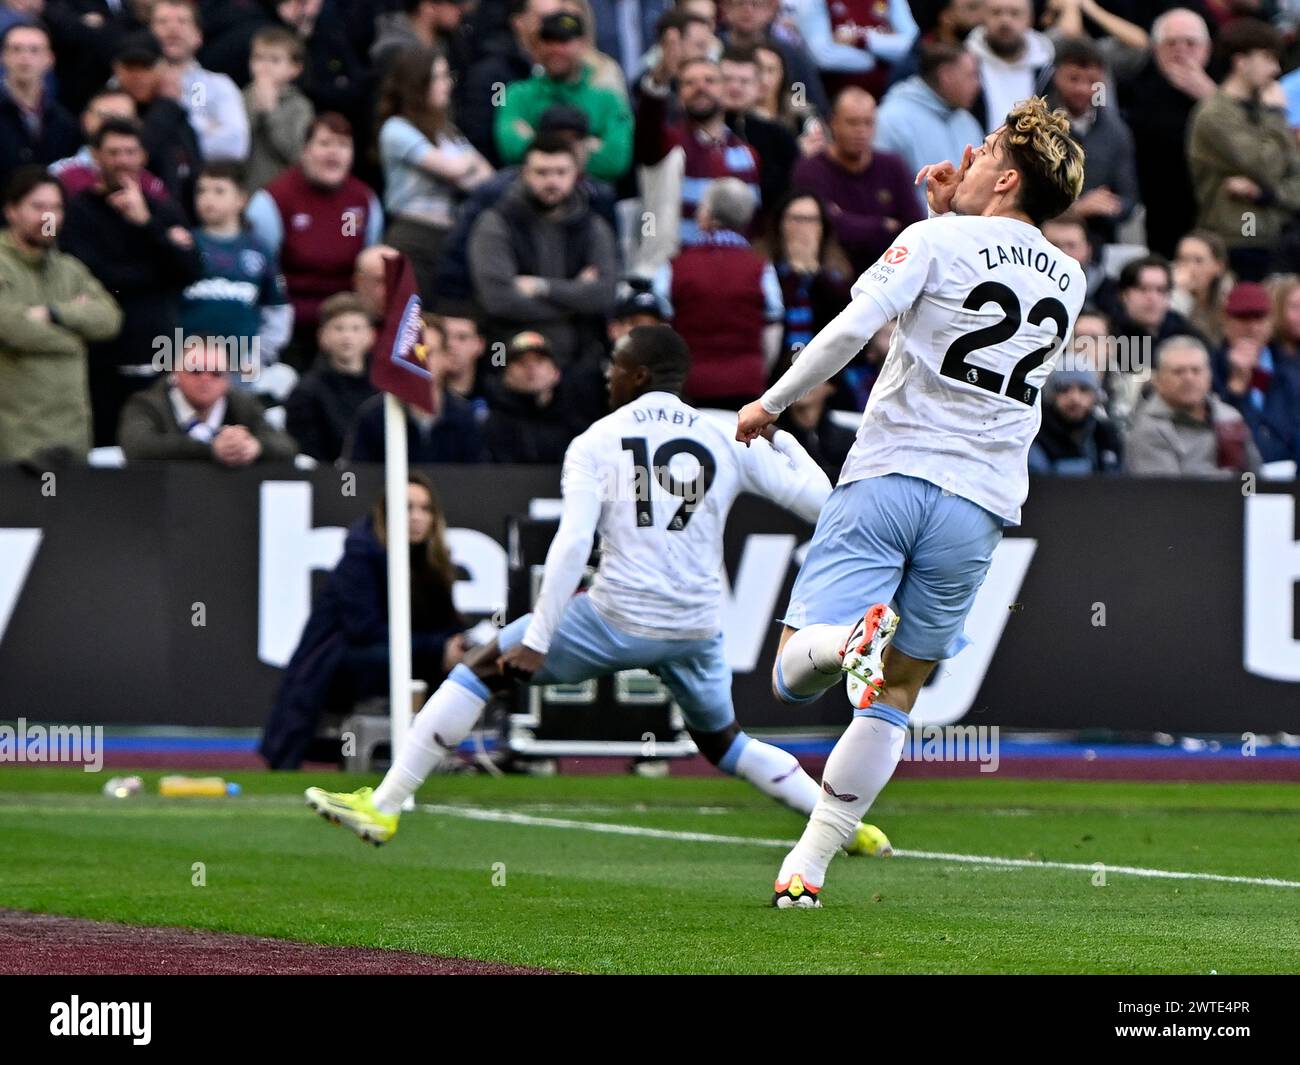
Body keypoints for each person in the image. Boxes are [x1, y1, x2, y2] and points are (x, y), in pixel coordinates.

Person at [305, 323, 891, 861]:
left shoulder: (596, 440)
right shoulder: (724, 432)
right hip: (696, 627)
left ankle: (384, 807)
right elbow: (825, 510)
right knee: (724, 743)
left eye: (615, 366)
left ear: (637, 375)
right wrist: (791, 449)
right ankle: (846, 825)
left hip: (616, 617)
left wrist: (536, 636)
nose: (607, 375)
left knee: (479, 670)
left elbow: (570, 545)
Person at [735, 97, 1086, 908]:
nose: (968, 149)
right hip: (978, 507)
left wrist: (774, 402)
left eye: (988, 145)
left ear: (1003, 179)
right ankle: (809, 865)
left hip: (891, 474)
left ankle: (841, 639)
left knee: (795, 670)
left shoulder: (930, 239)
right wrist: (941, 215)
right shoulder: (1069, 276)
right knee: (895, 694)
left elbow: (853, 327)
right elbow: (978, 297)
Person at [262, 473, 468, 769]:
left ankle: (464, 749)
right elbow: (363, 630)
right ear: (386, 513)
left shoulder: (433, 561)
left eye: (425, 509)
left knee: (470, 662)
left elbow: (447, 625)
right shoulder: (360, 555)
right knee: (405, 657)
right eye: (407, 508)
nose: (417, 517)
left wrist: (458, 646)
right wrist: (438, 648)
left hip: (400, 655)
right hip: (338, 666)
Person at [59, 118, 205, 447]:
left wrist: (146, 224)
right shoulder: (78, 212)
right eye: (113, 152)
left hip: (159, 359)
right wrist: (158, 266)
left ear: (143, 157)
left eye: (130, 152)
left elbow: (191, 272)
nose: (123, 160)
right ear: (96, 156)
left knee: (159, 455)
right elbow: (97, 277)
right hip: (102, 363)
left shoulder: (161, 210)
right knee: (104, 459)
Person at [0, 167, 122, 463]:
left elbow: (110, 318)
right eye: (37, 207)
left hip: (72, 436)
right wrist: (75, 339)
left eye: (55, 208)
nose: (48, 217)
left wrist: (54, 313)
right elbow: (9, 325)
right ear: (11, 211)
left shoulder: (69, 269)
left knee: (66, 507)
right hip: (15, 436)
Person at [246, 113, 385, 365]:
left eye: (343, 145)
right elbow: (261, 272)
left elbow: (366, 262)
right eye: (324, 144)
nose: (334, 153)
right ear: (305, 150)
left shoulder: (362, 201)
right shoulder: (273, 200)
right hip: (290, 326)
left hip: (344, 325)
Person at [467, 132, 618, 364]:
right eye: (542, 172)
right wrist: (576, 295)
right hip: (512, 358)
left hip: (581, 359)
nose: (552, 181)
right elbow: (498, 299)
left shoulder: (593, 226)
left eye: (561, 172)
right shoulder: (496, 223)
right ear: (524, 173)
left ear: (576, 175)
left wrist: (542, 287)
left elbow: (604, 293)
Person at [652, 176, 783, 409]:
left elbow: (663, 325)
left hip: (691, 385)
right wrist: (759, 368)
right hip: (747, 383)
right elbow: (773, 326)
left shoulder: (674, 266)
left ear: (706, 215)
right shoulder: (761, 268)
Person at [378, 46, 493, 307]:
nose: (447, 85)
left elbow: (486, 178)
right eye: (438, 77)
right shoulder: (396, 129)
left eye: (447, 76)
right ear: (417, 84)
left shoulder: (446, 130)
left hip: (451, 235)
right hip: (413, 236)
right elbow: (452, 170)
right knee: (416, 320)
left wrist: (462, 167)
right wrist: (464, 165)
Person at [1187, 18, 1300, 282]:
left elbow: (1296, 174)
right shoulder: (1214, 115)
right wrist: (1275, 115)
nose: (1275, 69)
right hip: (1234, 242)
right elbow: (1265, 166)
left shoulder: (1265, 111)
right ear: (1241, 61)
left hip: (1278, 237)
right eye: (1268, 58)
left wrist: (1265, 194)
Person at [791, 86, 922, 274]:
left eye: (868, 123)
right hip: (829, 276)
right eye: (852, 123)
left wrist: (845, 219)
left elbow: (913, 228)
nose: (861, 131)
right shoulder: (811, 169)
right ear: (833, 123)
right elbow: (825, 226)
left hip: (888, 273)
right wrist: (882, 226)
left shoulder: (893, 165)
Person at [1118, 8, 1215, 258]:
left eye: (1190, 43)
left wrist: (1212, 99)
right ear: (1156, 49)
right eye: (1171, 43)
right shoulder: (1132, 89)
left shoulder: (1223, 88)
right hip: (1153, 205)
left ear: (1207, 49)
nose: (1180, 49)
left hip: (1209, 207)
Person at [179, 161, 293, 375]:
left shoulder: (260, 251)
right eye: (202, 191)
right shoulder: (185, 244)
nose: (208, 198)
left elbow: (278, 309)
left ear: (241, 199)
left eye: (219, 191)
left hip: (240, 369)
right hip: (190, 368)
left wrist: (257, 357)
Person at [495, 11, 633, 183]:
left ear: (583, 44)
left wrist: (535, 139)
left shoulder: (608, 98)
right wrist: (584, 146)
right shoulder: (516, 93)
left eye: (564, 41)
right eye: (548, 41)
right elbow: (508, 149)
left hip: (593, 196)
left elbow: (616, 161)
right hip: (528, 196)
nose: (555, 49)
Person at [117, 332, 297, 463]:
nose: (205, 380)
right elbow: (137, 447)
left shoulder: (242, 403)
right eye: (195, 371)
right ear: (175, 371)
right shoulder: (147, 403)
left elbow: (286, 445)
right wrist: (211, 449)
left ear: (228, 378)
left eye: (216, 373)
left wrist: (255, 447)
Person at [345, 316, 486, 463]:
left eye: (427, 353)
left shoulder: (465, 417)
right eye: (411, 354)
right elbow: (357, 476)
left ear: (446, 358)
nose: (419, 362)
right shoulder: (373, 417)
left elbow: (478, 479)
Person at [1044, 35, 1138, 248]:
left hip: (1098, 241)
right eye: (1074, 79)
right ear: (1056, 75)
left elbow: (1129, 197)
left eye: (1092, 81)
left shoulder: (1116, 130)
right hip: (1045, 240)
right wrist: (1076, 209)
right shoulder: (1036, 126)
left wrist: (1108, 206)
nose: (1083, 89)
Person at [1125, 334, 1261, 477]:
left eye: (1196, 370)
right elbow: (1165, 493)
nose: (1189, 378)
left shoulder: (1229, 417)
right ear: (1158, 381)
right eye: (1178, 372)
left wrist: (1246, 494)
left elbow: (1254, 478)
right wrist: (1231, 482)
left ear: (1209, 376)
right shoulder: (1147, 429)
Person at [875, 43, 983, 211]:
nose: (978, 85)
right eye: (971, 75)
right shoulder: (891, 119)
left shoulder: (968, 121)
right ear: (946, 76)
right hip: (914, 232)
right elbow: (882, 192)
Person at [149, 0, 250, 162]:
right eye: (163, 21)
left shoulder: (215, 85)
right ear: (149, 32)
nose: (172, 28)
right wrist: (207, 128)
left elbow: (236, 145)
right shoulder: (133, 79)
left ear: (198, 36)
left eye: (183, 21)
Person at [1212, 281, 1300, 464]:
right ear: (1226, 322)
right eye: (1243, 318)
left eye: (1259, 318)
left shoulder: (1289, 369)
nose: (1251, 327)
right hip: (1235, 480)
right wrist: (1236, 387)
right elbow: (1217, 434)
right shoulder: (1208, 369)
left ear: (1270, 322)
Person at [284, 292, 377, 462]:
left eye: (356, 328)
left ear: (371, 336)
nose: (347, 336)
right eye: (338, 328)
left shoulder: (383, 389)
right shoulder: (306, 392)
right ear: (322, 336)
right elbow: (306, 450)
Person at [764, 191, 853, 361]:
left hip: (825, 369)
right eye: (797, 219)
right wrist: (793, 274)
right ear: (781, 223)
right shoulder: (765, 265)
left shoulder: (837, 269)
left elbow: (843, 321)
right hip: (777, 365)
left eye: (812, 220)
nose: (804, 228)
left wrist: (814, 271)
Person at [483, 329, 591, 461]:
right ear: (506, 375)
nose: (531, 367)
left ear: (556, 373)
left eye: (539, 361)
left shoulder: (575, 425)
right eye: (521, 362)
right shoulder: (492, 426)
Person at [0, 22, 79, 191]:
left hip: (47, 215)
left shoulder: (64, 123)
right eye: (16, 49)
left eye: (34, 50)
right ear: (3, 56)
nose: (24, 57)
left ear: (49, 59)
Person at [791, 0, 918, 103]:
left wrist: (863, 41)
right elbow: (822, 55)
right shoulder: (814, 2)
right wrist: (879, 57)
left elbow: (912, 45)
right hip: (836, 102)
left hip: (888, 98)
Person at [242, 24, 314, 192]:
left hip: (284, 192)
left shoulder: (300, 106)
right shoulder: (242, 97)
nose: (265, 66)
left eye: (275, 60)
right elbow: (235, 146)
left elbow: (296, 154)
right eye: (258, 58)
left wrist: (270, 112)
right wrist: (254, 111)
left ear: (295, 68)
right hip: (247, 189)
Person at [964, 0, 1054, 132]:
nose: (1005, 20)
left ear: (1030, 19)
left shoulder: (1047, 71)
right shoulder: (966, 66)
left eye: (1015, 13)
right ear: (982, 16)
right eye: (996, 13)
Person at [1027, 369, 1122, 475]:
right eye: (1064, 389)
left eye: (1084, 389)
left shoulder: (1105, 436)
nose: (1075, 398)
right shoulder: (1034, 436)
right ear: (1052, 395)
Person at [1171, 229, 1231, 347]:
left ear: (1218, 266)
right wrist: (1179, 294)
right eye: (1182, 259)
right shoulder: (1168, 296)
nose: (1189, 268)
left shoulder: (1227, 301)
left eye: (1198, 261)